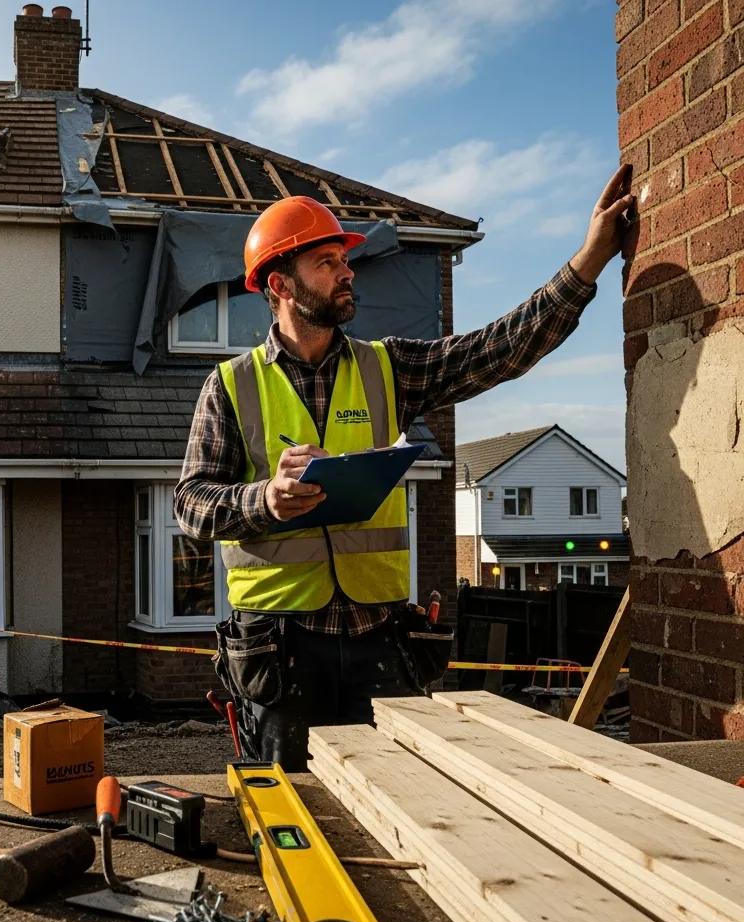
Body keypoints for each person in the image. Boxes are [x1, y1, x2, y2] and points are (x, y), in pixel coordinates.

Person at [174, 167, 635, 770]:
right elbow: (190, 505)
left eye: (345, 261)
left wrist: (590, 259)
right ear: (281, 286)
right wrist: (265, 500)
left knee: (399, 806)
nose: (346, 273)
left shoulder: (386, 368)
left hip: (380, 643)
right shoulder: (230, 386)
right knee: (292, 817)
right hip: (280, 651)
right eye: (327, 263)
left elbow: (496, 350)